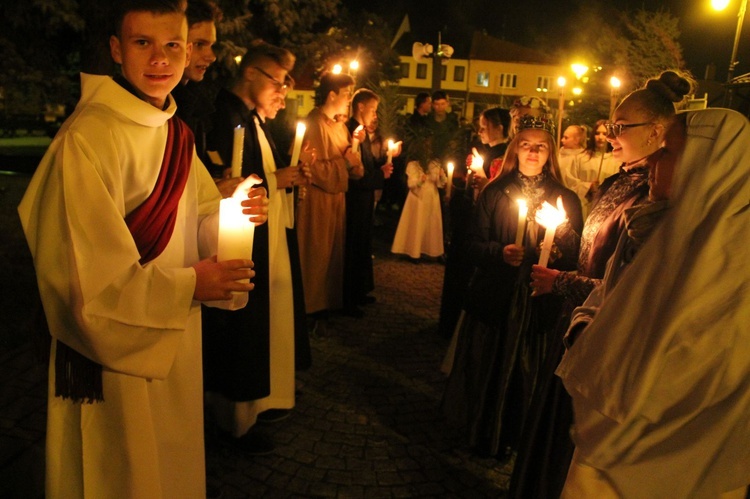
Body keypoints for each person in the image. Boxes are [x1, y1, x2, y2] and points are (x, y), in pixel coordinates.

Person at [16, 1, 268, 496]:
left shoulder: (177, 135)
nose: (160, 58)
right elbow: (86, 279)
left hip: (173, 337)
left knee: (167, 462)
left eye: (173, 44)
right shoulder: (87, 138)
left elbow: (195, 219)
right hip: (115, 352)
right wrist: (192, 284)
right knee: (121, 471)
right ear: (116, 50)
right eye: (142, 43)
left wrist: (232, 216)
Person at [509, 69, 697, 499]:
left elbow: (624, 284)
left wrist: (561, 282)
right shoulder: (618, 180)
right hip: (573, 324)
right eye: (610, 126)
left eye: (619, 127)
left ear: (655, 131)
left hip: (598, 333)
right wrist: (558, 239)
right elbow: (596, 249)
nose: (609, 135)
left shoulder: (657, 194)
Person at [557, 106, 750, 499]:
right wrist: (586, 326)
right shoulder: (654, 225)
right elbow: (612, 292)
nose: (655, 161)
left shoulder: (733, 256)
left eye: (670, 153)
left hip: (674, 451)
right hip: (613, 425)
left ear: (709, 165)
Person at [441, 114, 582, 459]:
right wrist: (499, 252)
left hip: (538, 303)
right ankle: (480, 427)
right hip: (496, 297)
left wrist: (559, 238)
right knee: (488, 366)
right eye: (525, 145)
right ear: (515, 149)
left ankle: (517, 434)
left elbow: (578, 252)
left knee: (525, 370)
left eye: (541, 147)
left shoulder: (565, 198)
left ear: (550, 153)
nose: (533, 152)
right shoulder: (496, 192)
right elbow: (470, 245)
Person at [202, 41, 312, 453]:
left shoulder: (252, 120)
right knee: (238, 330)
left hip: (263, 237)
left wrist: (281, 177)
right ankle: (232, 420)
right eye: (278, 82)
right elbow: (224, 183)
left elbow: (261, 174)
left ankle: (254, 405)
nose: (283, 92)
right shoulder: (224, 117)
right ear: (251, 73)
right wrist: (276, 181)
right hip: (237, 239)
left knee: (259, 324)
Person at [297, 72, 363, 331]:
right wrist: (345, 163)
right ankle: (310, 307)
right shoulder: (314, 123)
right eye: (347, 94)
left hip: (336, 201)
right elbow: (310, 167)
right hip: (317, 201)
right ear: (332, 94)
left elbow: (350, 160)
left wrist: (354, 165)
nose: (349, 100)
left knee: (331, 254)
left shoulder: (338, 125)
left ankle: (325, 303)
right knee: (315, 253)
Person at [438, 107, 510, 339]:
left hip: (485, 225)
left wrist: (484, 180)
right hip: (467, 218)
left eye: (484, 125)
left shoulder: (506, 155)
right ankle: (449, 323)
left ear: (499, 127)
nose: (479, 130)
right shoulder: (482, 150)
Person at [172, 0, 241, 200]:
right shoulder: (161, 108)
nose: (211, 56)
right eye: (200, 44)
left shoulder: (196, 103)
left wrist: (213, 180)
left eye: (211, 46)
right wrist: (211, 193)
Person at [343, 88, 394, 317]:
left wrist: (383, 163)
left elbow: (368, 162)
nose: (374, 114)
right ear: (360, 107)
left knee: (363, 243)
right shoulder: (351, 130)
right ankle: (350, 297)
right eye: (372, 109)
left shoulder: (360, 131)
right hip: (354, 199)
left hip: (363, 199)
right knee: (353, 246)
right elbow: (355, 173)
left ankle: (360, 290)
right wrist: (379, 176)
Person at [390, 136, 447, 260]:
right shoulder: (413, 165)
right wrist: (420, 181)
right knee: (416, 223)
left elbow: (441, 183)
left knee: (430, 224)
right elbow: (411, 184)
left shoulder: (435, 164)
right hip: (417, 199)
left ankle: (430, 250)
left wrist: (442, 176)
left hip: (431, 197)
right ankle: (413, 251)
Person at [562, 119, 620, 218]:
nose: (600, 137)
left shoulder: (617, 161)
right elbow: (569, 182)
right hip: (583, 207)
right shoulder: (580, 158)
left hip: (605, 210)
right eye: (597, 133)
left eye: (605, 134)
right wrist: (588, 187)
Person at [427, 90, 460, 164]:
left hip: (448, 158)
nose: (440, 107)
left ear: (447, 104)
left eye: (442, 104)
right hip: (430, 159)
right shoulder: (427, 121)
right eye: (437, 104)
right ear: (432, 105)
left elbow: (456, 140)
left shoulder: (453, 121)